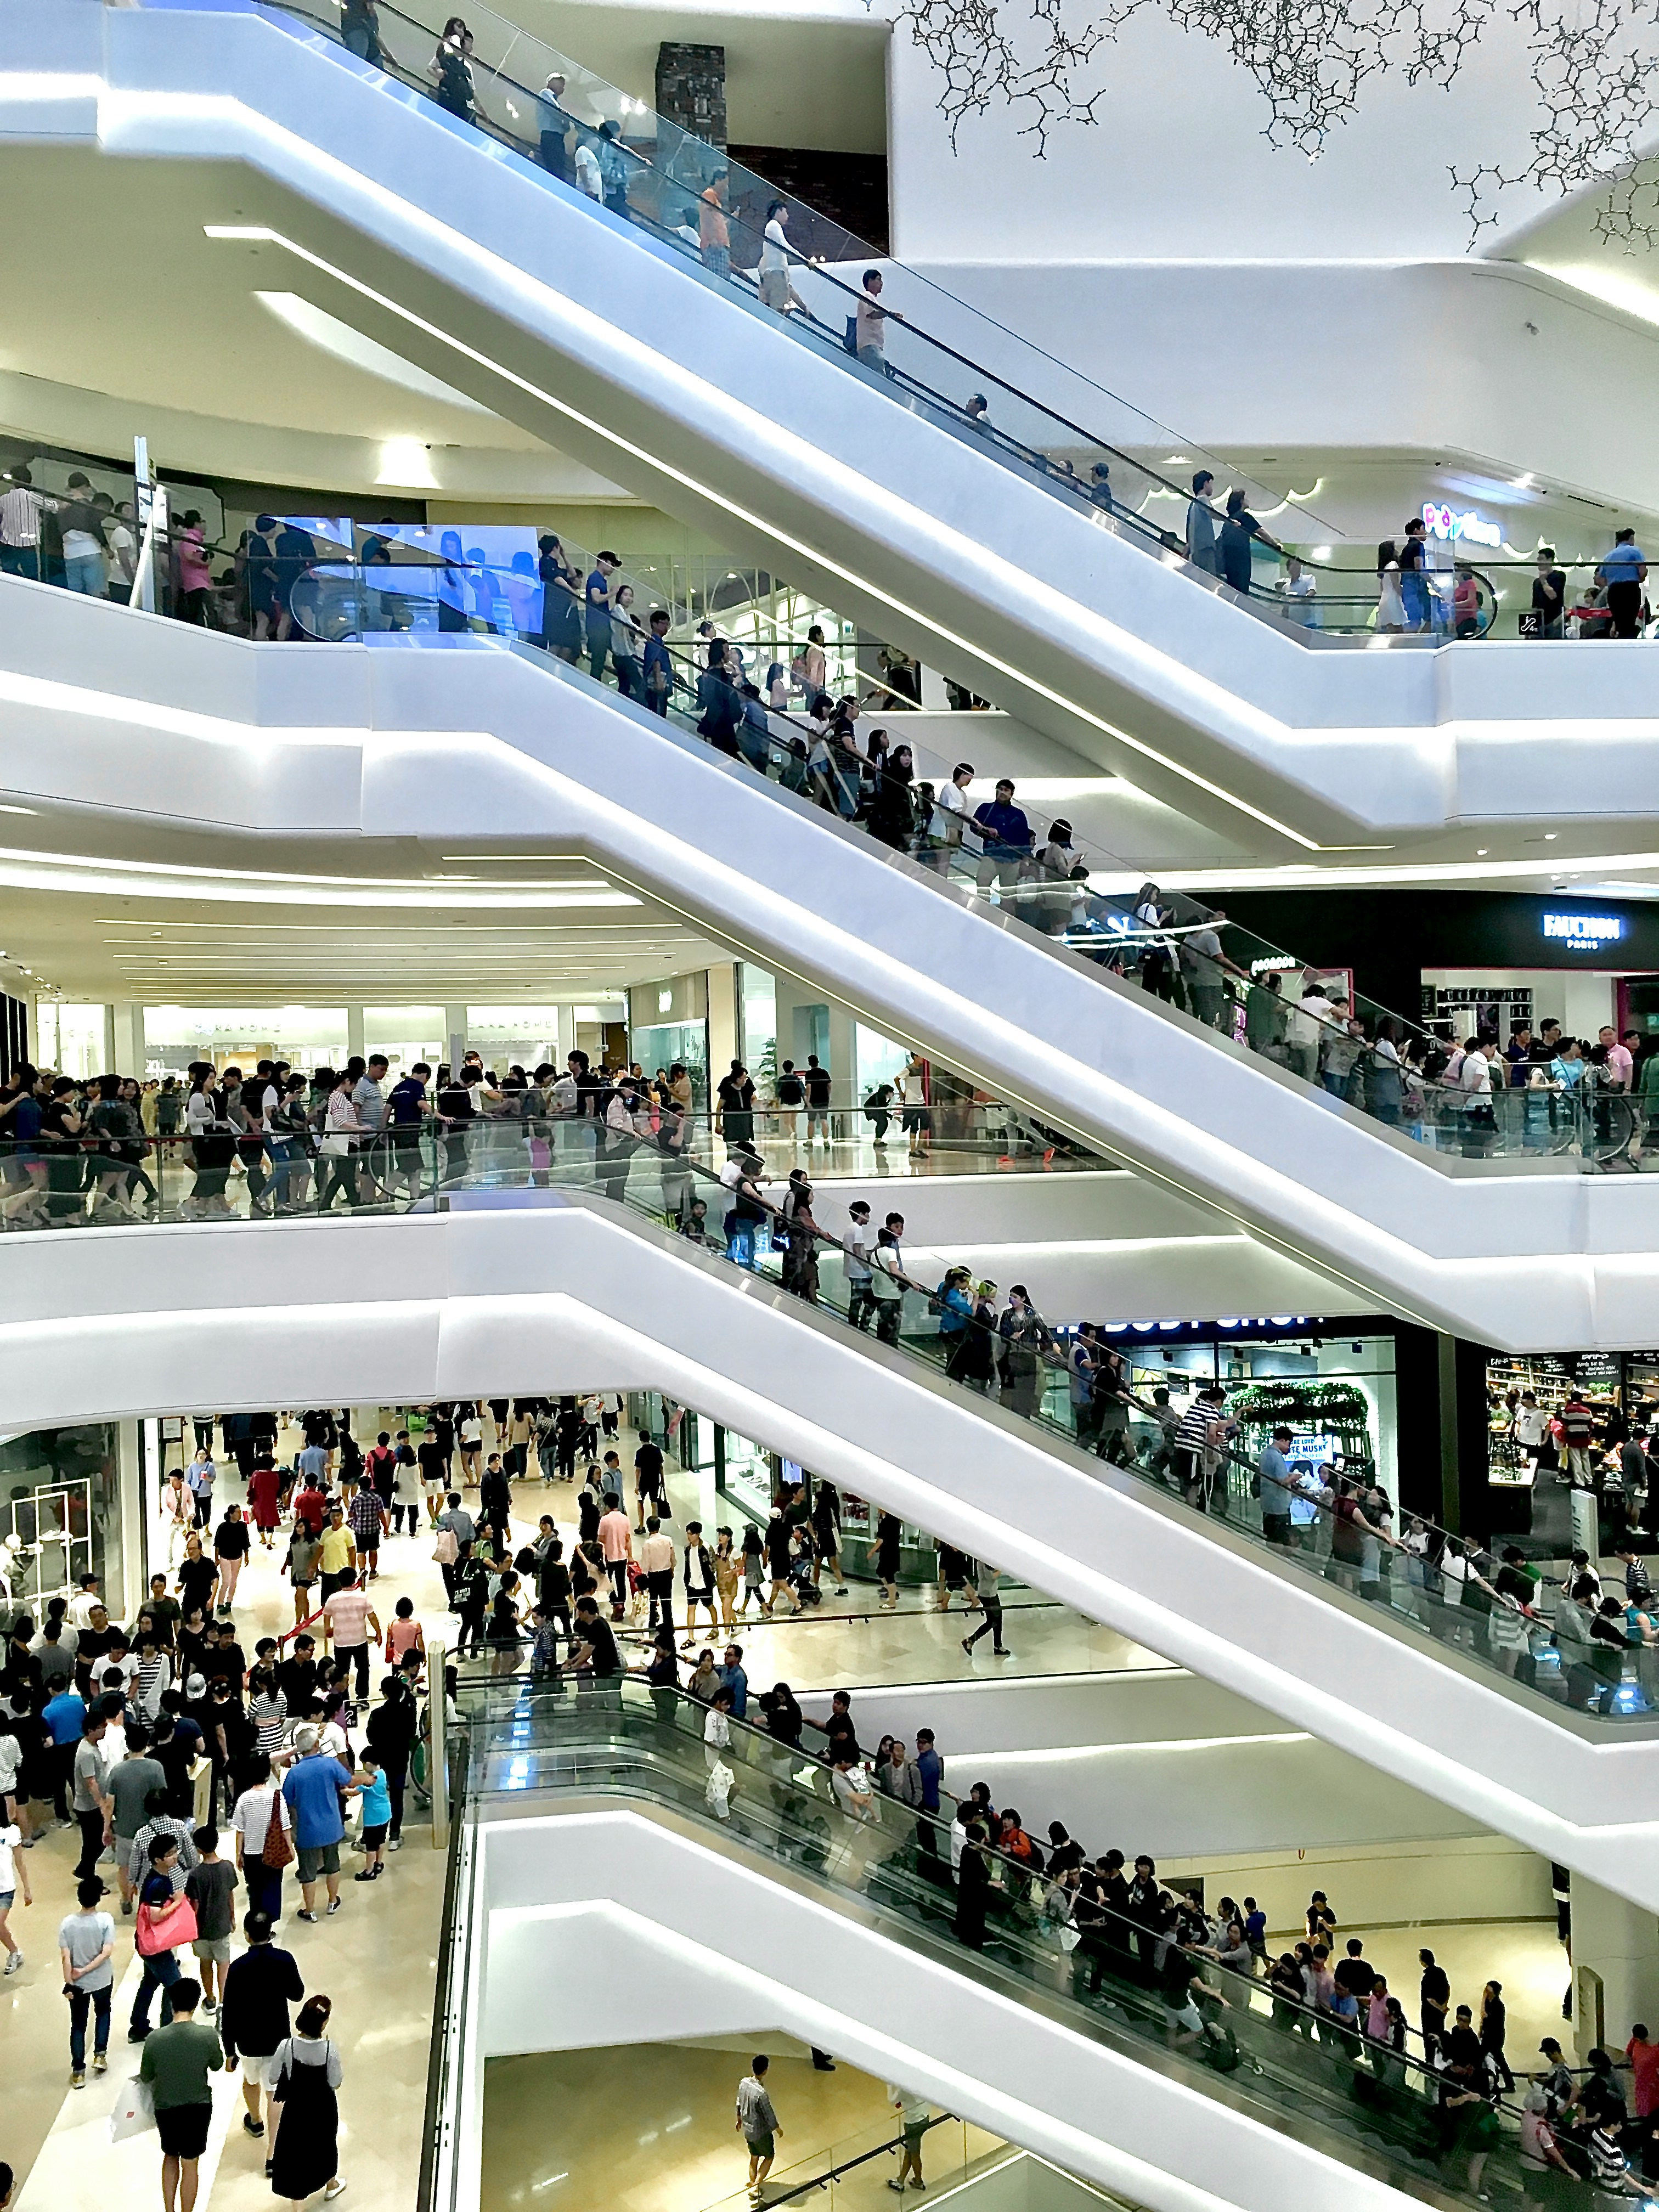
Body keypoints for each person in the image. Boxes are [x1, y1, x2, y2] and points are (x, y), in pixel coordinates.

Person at [221, 1908, 305, 2148]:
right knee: (275, 2090)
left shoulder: (237, 1968)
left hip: (248, 2040)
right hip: (278, 2036)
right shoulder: (284, 1959)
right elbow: (297, 1994)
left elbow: (230, 2012)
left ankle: (255, 2120)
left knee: (250, 2080)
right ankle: (275, 2145)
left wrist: (229, 2050)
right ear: (271, 1932)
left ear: (247, 1935)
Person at [139, 1976, 224, 2212]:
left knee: (169, 2155)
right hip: (198, 2107)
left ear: (171, 2004)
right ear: (196, 2004)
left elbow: (146, 2075)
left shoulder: (155, 2039)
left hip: (166, 2107)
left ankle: (169, 2210)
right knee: (191, 2163)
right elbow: (217, 2065)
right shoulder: (206, 2036)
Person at [268, 1993, 347, 2205]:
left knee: (296, 2152)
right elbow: (335, 2082)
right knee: (325, 2145)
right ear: (324, 2022)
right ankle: (331, 2184)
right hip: (323, 2109)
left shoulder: (286, 2047)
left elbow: (273, 2077)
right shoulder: (330, 2050)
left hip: (297, 2108)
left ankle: (297, 2201)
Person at [281, 1727, 358, 1923]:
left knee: (308, 1872)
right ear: (317, 1745)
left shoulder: (294, 1774)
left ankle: (310, 1910)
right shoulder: (330, 1765)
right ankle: (333, 1902)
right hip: (331, 1826)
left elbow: (287, 1802)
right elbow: (348, 1780)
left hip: (307, 1830)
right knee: (333, 1864)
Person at [59, 1874, 115, 2087]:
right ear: (99, 1897)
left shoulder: (67, 1924)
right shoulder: (105, 1921)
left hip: (78, 1987)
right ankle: (100, 2054)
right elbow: (106, 1952)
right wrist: (87, 1970)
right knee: (103, 2012)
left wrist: (71, 1981)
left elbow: (66, 1957)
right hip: (101, 1980)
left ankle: (78, 2072)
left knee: (78, 2025)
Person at [184, 1825, 238, 2016]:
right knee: (224, 1964)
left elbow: (195, 1905)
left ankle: (210, 1999)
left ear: (198, 1848)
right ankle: (225, 2001)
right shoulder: (227, 1867)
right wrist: (232, 1918)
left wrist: (191, 1928)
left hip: (201, 1930)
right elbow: (230, 1896)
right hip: (222, 1925)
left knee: (205, 1963)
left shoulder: (195, 1875)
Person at [1597, 527, 1647, 639]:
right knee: (1630, 621)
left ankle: (1622, 642)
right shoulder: (1635, 551)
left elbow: (1601, 580)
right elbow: (1642, 571)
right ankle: (1629, 646)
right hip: (1630, 588)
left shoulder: (1608, 556)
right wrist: (1640, 579)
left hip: (1614, 591)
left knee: (1619, 620)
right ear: (1631, 538)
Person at [887, 2084, 931, 2193]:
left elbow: (891, 2101)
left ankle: (918, 2181)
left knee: (914, 2153)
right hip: (924, 2117)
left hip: (913, 2124)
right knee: (910, 2151)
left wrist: (888, 2084)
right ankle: (901, 2180)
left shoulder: (904, 2088)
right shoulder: (919, 2081)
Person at [1186, 470, 1220, 575]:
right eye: (1211, 484)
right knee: (1210, 580)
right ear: (1206, 483)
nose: (1212, 488)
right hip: (1205, 548)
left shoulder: (1193, 503)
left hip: (1195, 549)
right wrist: (1230, 521)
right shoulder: (1203, 499)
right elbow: (1212, 513)